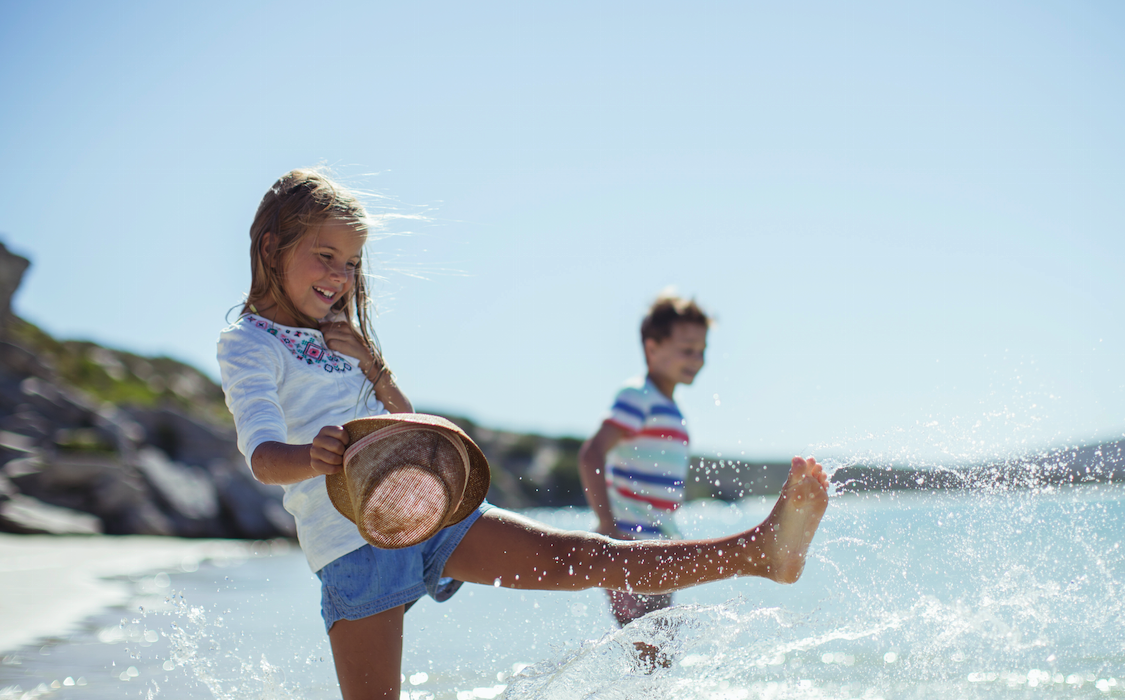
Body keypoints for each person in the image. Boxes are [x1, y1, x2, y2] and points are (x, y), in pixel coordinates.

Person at [217, 167, 831, 700]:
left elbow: (407, 425)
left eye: (351, 263)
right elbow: (265, 459)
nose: (341, 277)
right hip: (352, 549)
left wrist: (374, 367)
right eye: (325, 256)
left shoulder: (340, 336)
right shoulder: (249, 344)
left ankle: (758, 551)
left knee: (591, 558)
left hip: (429, 513)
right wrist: (312, 454)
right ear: (272, 248)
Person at [577, 295, 708, 629]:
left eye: (701, 350)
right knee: (645, 643)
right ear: (653, 349)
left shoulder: (669, 407)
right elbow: (592, 453)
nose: (697, 359)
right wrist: (607, 526)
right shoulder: (638, 396)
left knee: (657, 651)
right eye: (687, 349)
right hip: (630, 540)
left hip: (659, 539)